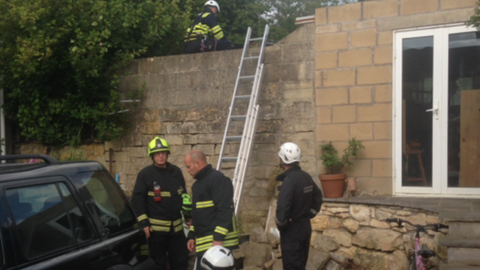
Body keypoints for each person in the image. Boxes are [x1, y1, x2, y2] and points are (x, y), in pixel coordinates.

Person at [130, 137, 190, 270]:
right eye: (157, 153)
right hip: (156, 233)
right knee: (159, 265)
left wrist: (188, 216)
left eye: (163, 152)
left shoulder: (176, 172)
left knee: (181, 262)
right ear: (152, 155)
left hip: (177, 231)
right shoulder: (145, 174)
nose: (161, 155)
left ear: (168, 154)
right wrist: (144, 223)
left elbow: (184, 196)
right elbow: (137, 201)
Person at [184, 150, 239, 270]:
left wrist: (218, 240)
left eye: (189, 167)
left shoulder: (218, 180)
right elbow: (198, 214)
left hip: (218, 245)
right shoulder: (198, 185)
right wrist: (192, 235)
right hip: (206, 245)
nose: (187, 171)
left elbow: (225, 211)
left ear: (197, 163)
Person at [275, 142, 323, 270]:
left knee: (292, 266)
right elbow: (318, 197)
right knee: (301, 264)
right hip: (305, 227)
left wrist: (282, 225)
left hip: (292, 230)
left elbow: (282, 208)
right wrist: (309, 214)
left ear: (283, 159)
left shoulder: (289, 180)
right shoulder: (305, 176)